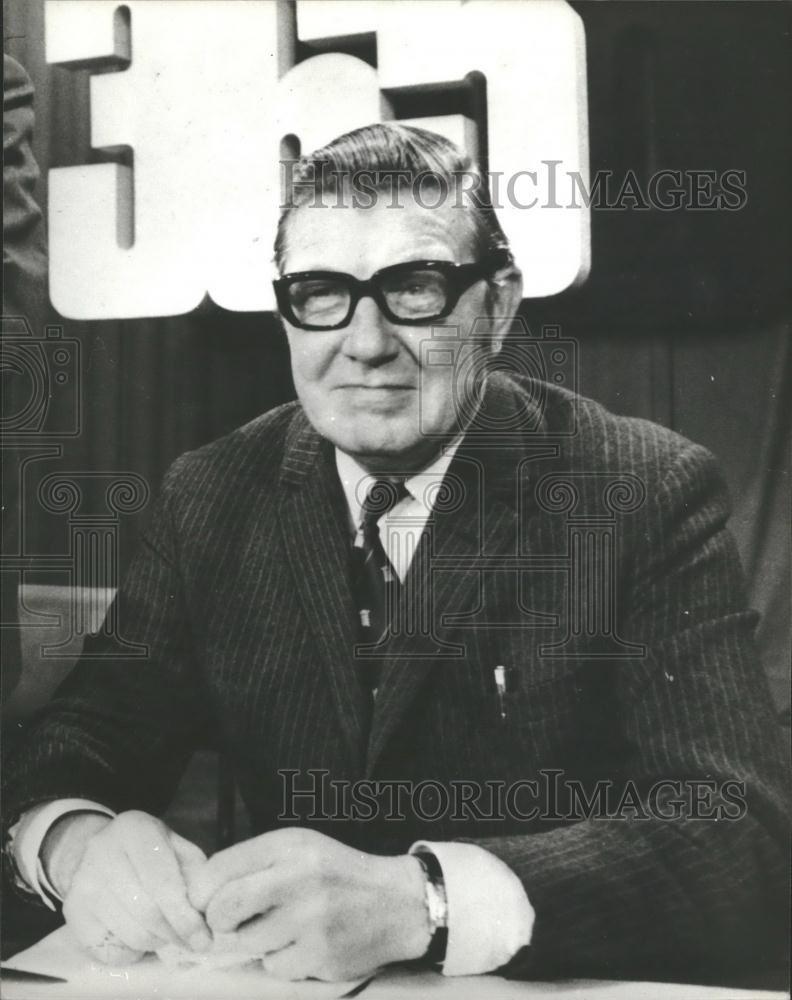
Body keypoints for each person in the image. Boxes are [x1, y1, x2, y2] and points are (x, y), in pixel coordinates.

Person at [3, 124, 788, 984]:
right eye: (321, 292)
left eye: (416, 288)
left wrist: (427, 903)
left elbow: (736, 833)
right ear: (286, 314)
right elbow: (88, 732)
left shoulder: (641, 489)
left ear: (498, 306)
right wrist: (73, 839)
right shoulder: (211, 493)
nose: (366, 341)